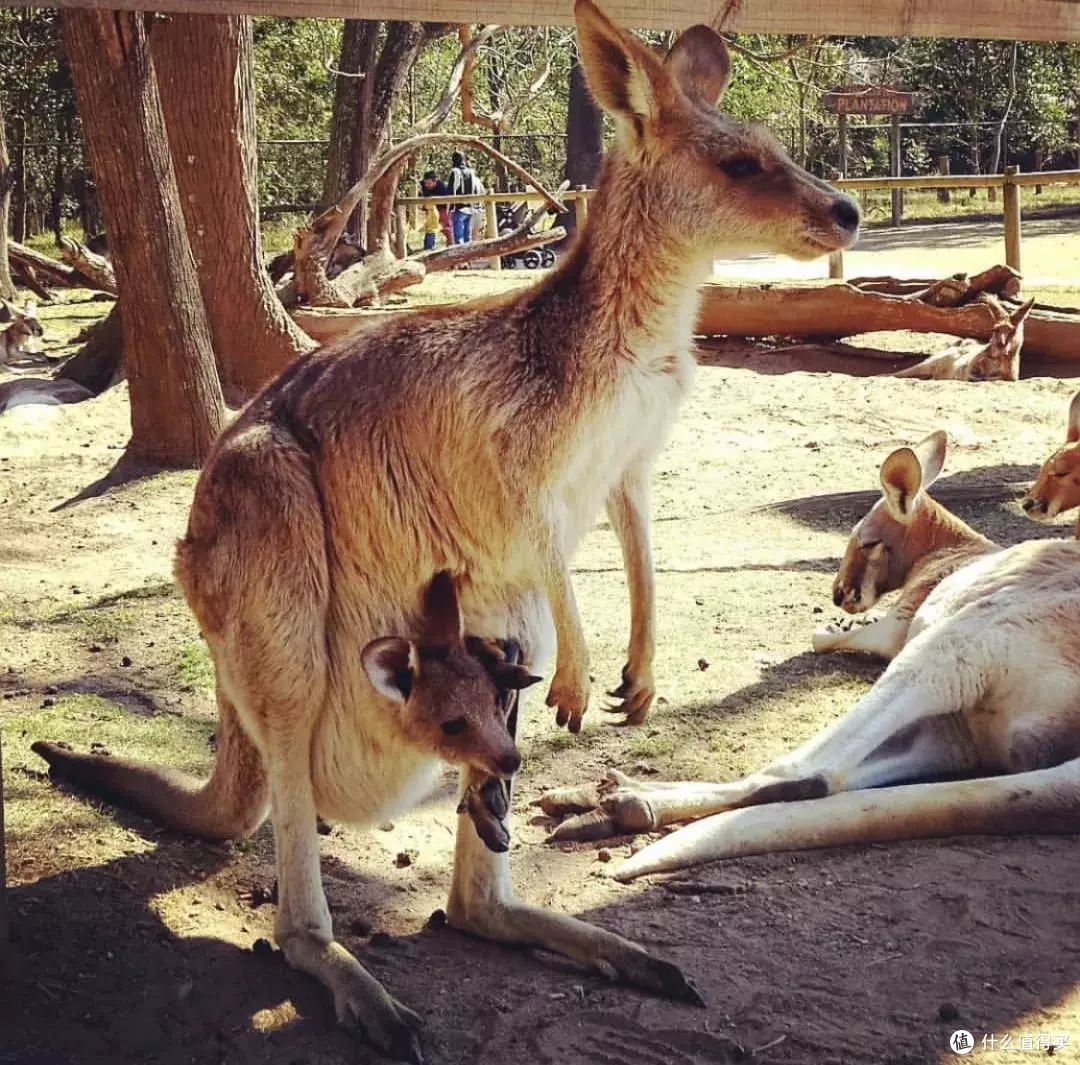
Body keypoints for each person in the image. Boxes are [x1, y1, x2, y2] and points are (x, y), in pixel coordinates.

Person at [448, 151, 484, 244]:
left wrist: (450, 208)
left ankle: (459, 257)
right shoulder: (471, 172)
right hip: (471, 208)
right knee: (467, 237)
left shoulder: (455, 171)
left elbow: (451, 190)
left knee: (458, 238)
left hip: (459, 208)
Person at [419, 170, 451, 250]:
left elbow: (448, 201)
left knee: (446, 226)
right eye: (425, 183)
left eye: (429, 183)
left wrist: (447, 213)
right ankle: (428, 246)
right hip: (431, 207)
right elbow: (425, 198)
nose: (427, 185)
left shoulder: (442, 186)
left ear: (435, 181)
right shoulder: (424, 185)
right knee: (430, 227)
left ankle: (451, 244)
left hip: (442, 207)